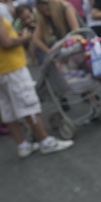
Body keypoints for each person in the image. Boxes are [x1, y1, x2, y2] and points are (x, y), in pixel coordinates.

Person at [0, 14, 74, 158]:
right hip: (12, 68)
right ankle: (45, 141)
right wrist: (25, 37)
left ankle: (22, 145)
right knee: (29, 104)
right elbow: (6, 42)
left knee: (7, 109)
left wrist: (16, 35)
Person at [32, 0, 101, 103]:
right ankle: (95, 106)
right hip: (72, 50)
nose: (45, 13)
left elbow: (75, 32)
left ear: (52, 4)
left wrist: (60, 46)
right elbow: (36, 39)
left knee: (100, 73)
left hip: (86, 44)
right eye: (42, 12)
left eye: (47, 10)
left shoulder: (66, 8)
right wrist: (50, 52)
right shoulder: (45, 17)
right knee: (81, 78)